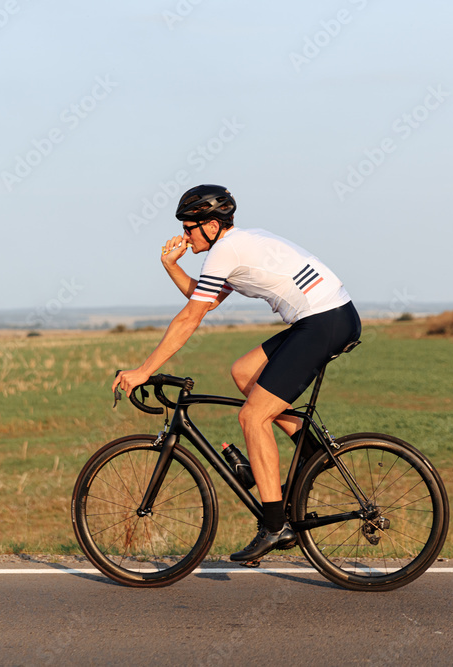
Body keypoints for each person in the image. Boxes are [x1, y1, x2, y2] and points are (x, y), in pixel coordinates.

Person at [111, 184, 361, 562]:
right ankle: (311, 451)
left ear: (211, 225)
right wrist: (171, 266)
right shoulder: (235, 246)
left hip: (323, 321)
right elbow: (205, 300)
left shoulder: (226, 251)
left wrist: (145, 370)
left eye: (190, 227)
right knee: (244, 372)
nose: (185, 234)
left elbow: (190, 318)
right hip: (327, 317)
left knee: (252, 417)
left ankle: (276, 526)